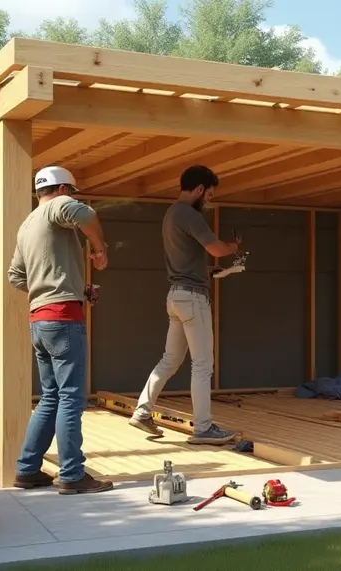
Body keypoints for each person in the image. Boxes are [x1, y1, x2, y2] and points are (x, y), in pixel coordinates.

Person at [7, 165, 113, 495]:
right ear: (63, 188)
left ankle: (27, 470)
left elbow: (16, 277)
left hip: (40, 321)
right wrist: (99, 249)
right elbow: (85, 213)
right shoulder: (58, 206)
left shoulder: (27, 224)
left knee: (50, 397)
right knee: (70, 399)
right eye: (71, 192)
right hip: (64, 319)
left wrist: (62, 288)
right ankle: (72, 475)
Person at [130, 165, 241, 444]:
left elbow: (186, 258)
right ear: (200, 189)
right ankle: (203, 428)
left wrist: (206, 270)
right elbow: (215, 247)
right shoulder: (190, 215)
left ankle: (143, 411)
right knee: (203, 364)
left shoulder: (171, 214)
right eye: (210, 194)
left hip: (176, 296)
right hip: (193, 299)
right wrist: (233, 247)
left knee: (169, 360)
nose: (209, 200)